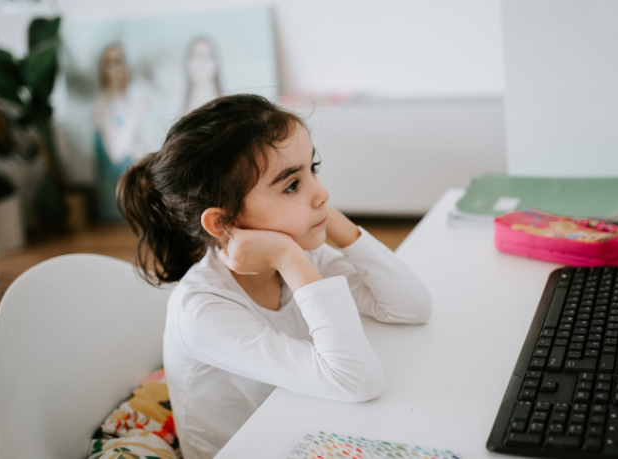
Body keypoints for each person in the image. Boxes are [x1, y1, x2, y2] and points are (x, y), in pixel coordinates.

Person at [116, 94, 432, 459]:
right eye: (292, 185)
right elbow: (357, 380)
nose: (322, 192)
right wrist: (288, 256)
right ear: (223, 222)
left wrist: (338, 227)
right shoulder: (202, 310)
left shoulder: (305, 252)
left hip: (301, 421)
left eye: (312, 168)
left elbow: (412, 307)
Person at [94, 44, 150, 221]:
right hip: (118, 185)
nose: (116, 68)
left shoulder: (128, 98)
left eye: (119, 61)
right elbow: (116, 154)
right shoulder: (102, 105)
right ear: (103, 69)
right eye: (110, 63)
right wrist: (137, 114)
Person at [182, 38, 223, 116]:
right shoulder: (181, 115)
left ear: (216, 64)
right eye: (196, 55)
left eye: (207, 55)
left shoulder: (227, 108)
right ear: (187, 63)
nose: (202, 61)